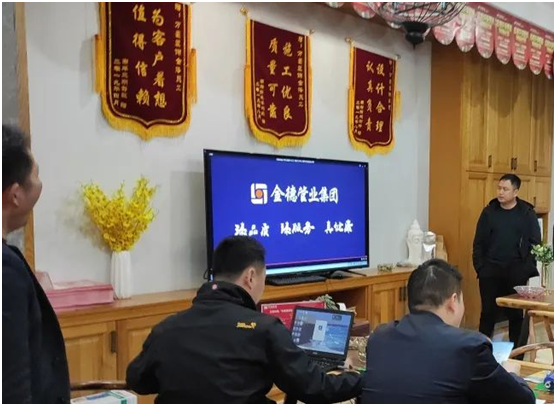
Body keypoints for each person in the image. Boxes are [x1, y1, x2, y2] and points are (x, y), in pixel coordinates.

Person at [127, 236, 362, 403]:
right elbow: (314, 388)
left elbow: (137, 380)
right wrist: (362, 378)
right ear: (250, 277)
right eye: (263, 278)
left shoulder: (167, 328)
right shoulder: (265, 329)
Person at [361, 259, 535, 404]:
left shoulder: (378, 338)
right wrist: (513, 374)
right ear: (453, 301)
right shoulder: (468, 347)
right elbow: (523, 400)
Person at [2, 125, 70, 403]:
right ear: (15, 194)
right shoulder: (6, 273)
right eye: (36, 174)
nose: (40, 184)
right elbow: (13, 387)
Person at [473, 174, 541, 346]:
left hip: (516, 272)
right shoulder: (489, 212)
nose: (501, 192)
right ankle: (482, 352)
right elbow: (478, 242)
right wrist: (480, 267)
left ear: (515, 192)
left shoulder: (526, 213)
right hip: (490, 271)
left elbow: (535, 243)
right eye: (499, 188)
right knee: (487, 314)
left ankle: (516, 354)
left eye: (505, 189)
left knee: (515, 315)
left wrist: (525, 269)